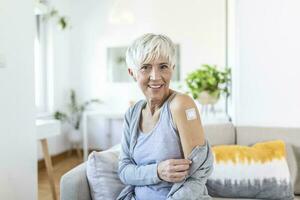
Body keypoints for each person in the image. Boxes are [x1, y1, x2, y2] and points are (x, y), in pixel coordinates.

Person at [117, 33, 213, 200]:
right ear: (132, 72)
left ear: (172, 69)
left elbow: (197, 176)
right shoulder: (132, 114)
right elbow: (124, 171)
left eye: (163, 66)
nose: (155, 76)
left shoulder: (181, 105)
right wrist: (157, 171)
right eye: (145, 67)